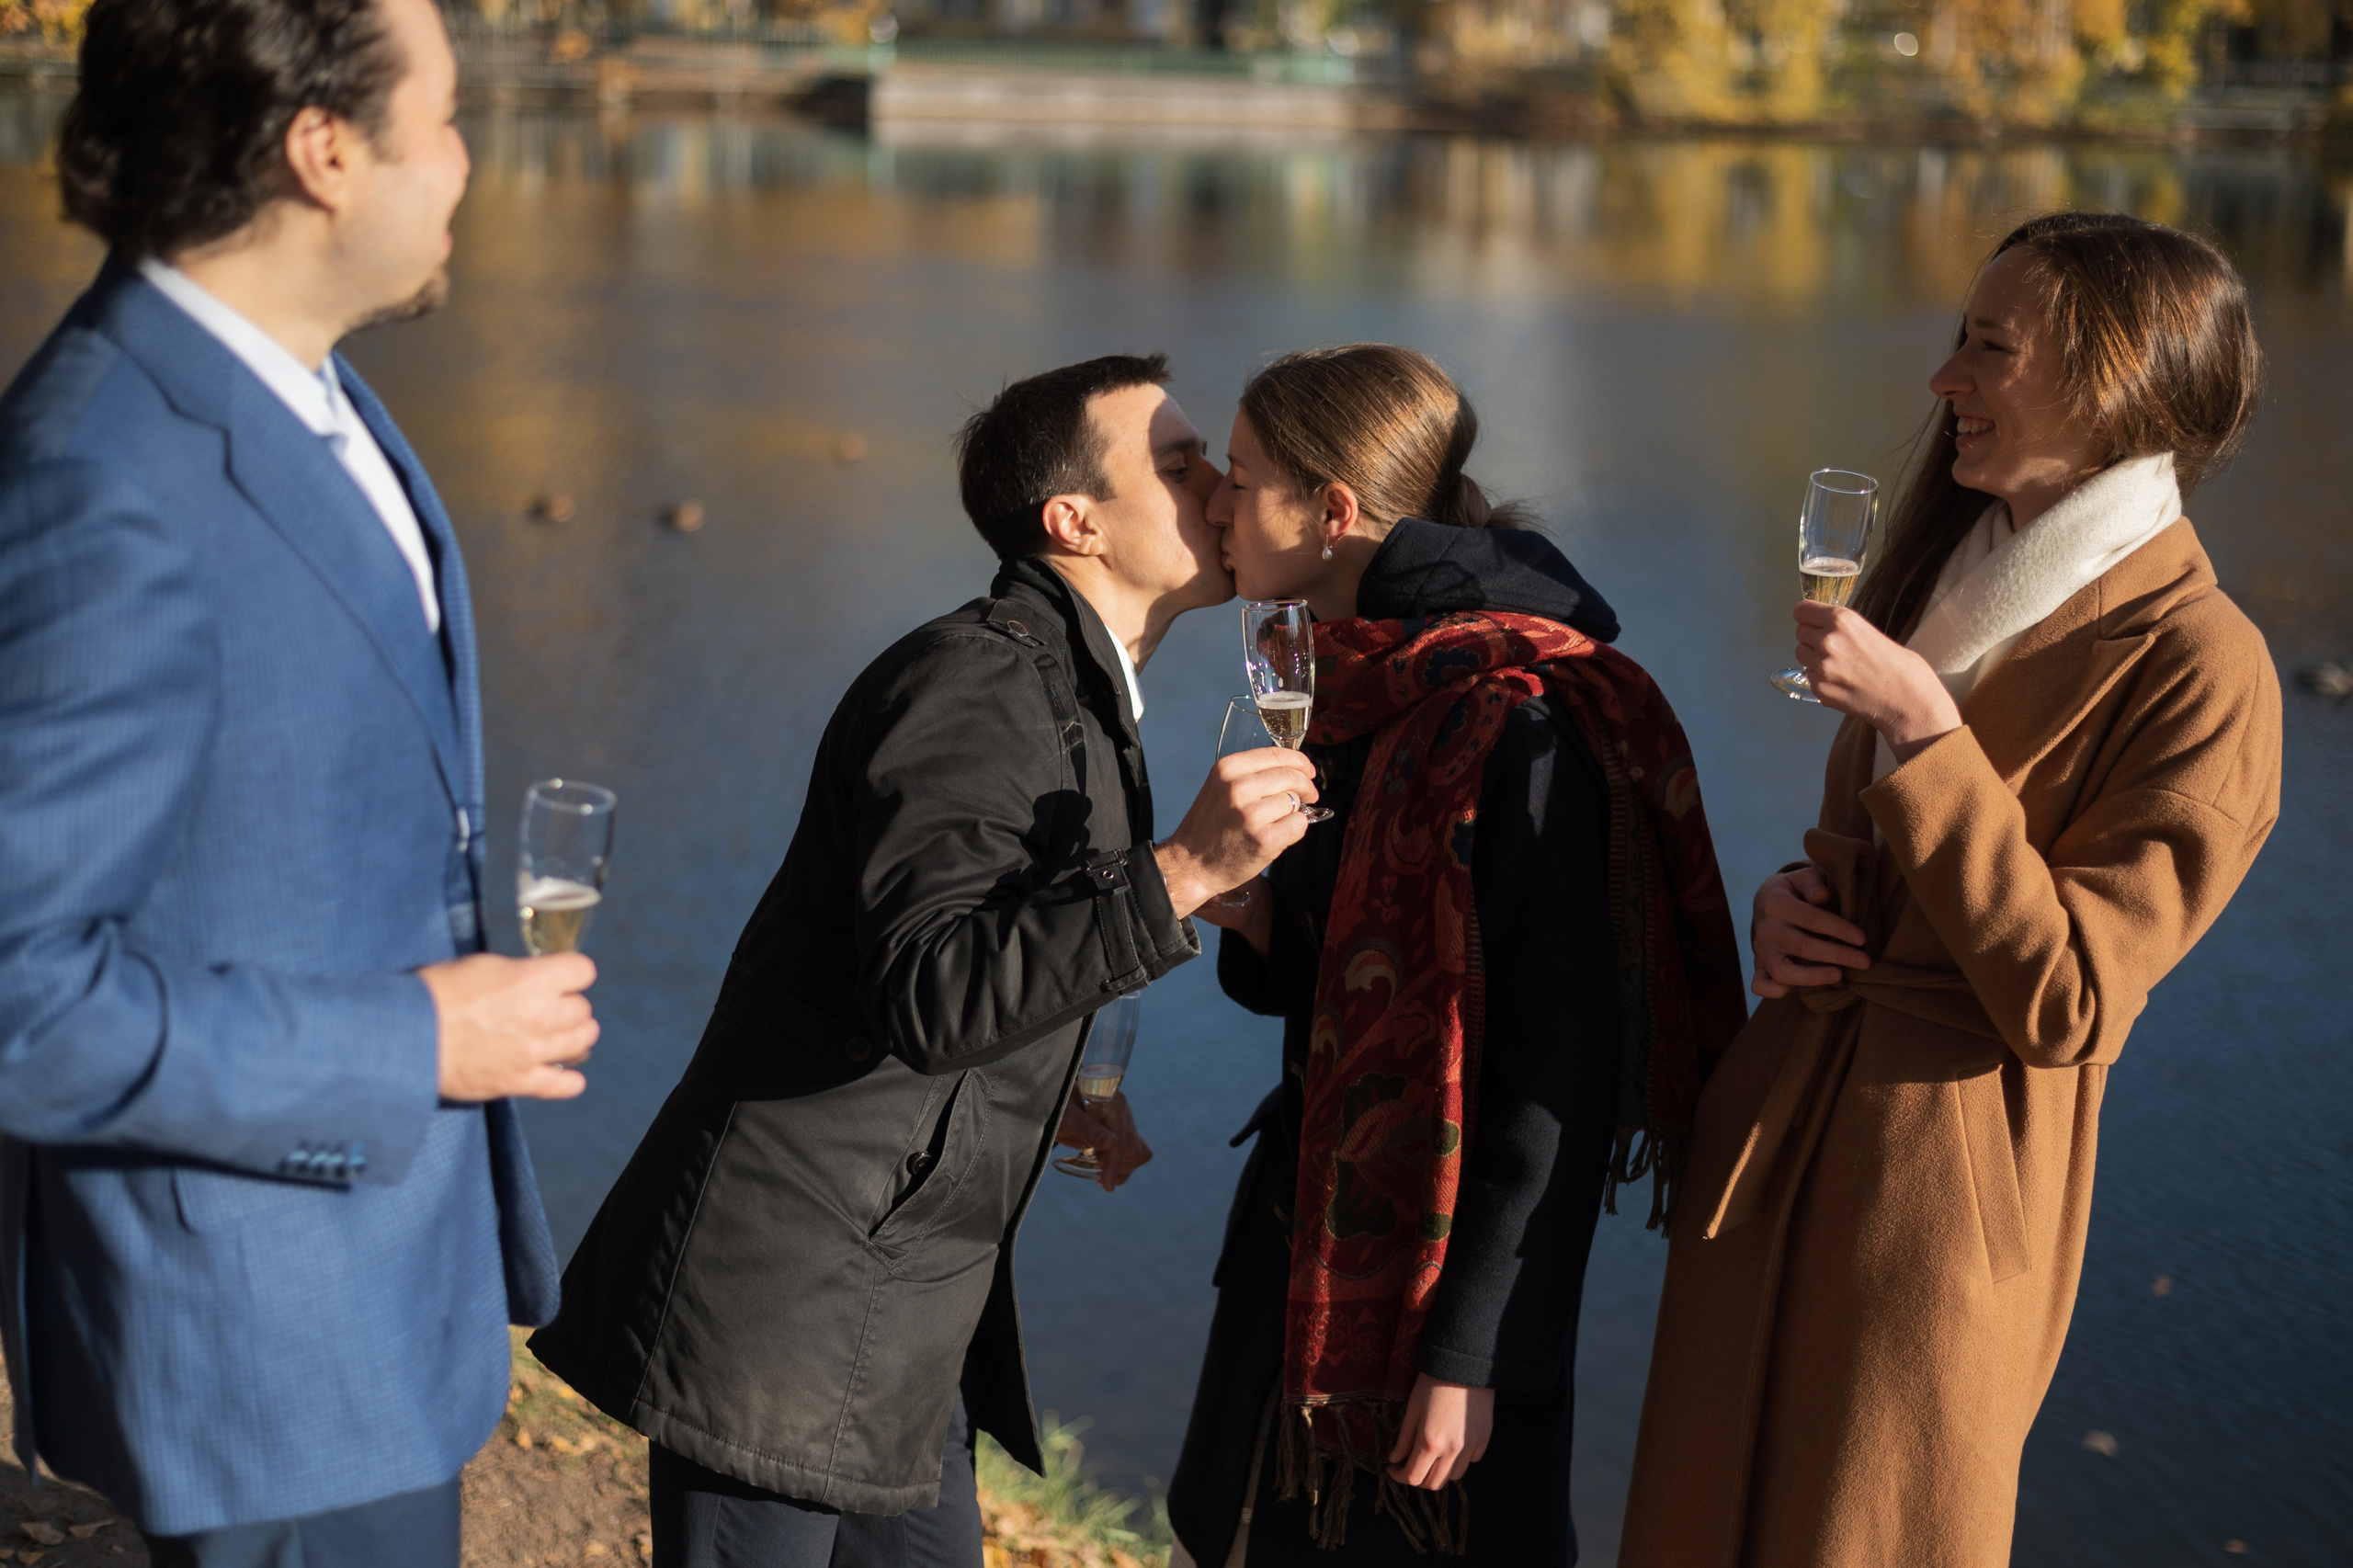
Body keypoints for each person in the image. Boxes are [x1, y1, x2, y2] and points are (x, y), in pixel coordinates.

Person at [528, 353, 1318, 1568]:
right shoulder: (978, 682)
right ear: (1075, 521)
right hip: (787, 1313)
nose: (1217, 486)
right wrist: (1178, 874)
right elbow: (931, 991)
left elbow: (975, 956)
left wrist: (1051, 1090)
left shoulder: (1072, 691)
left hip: (896, 1314)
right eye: (1178, 462)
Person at [0, 0, 600, 1561]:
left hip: (376, 1303)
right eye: (446, 116)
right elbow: (19, 998)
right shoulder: (98, 473)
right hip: (262, 1355)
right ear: (323, 150)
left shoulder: (305, 391)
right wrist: (417, 1039)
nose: (467, 161)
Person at [1618, 212, 2283, 1567]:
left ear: (2119, 381)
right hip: (1784, 1131)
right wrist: (1792, 911)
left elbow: (2075, 997)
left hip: (1934, 1199)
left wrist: (1928, 732)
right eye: (1957, 338)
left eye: (1990, 348)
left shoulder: (2206, 667)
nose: (1944, 379)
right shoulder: (1953, 567)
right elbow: (1889, 869)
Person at [1165, 345, 1747, 1566]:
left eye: (1242, 477)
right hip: (1299, 1247)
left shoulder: (1510, 728)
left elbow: (1556, 1075)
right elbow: (1359, 990)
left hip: (1434, 1316)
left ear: (1332, 513)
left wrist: (1470, 1356)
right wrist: (1256, 919)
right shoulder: (1362, 685)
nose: (1215, 502)